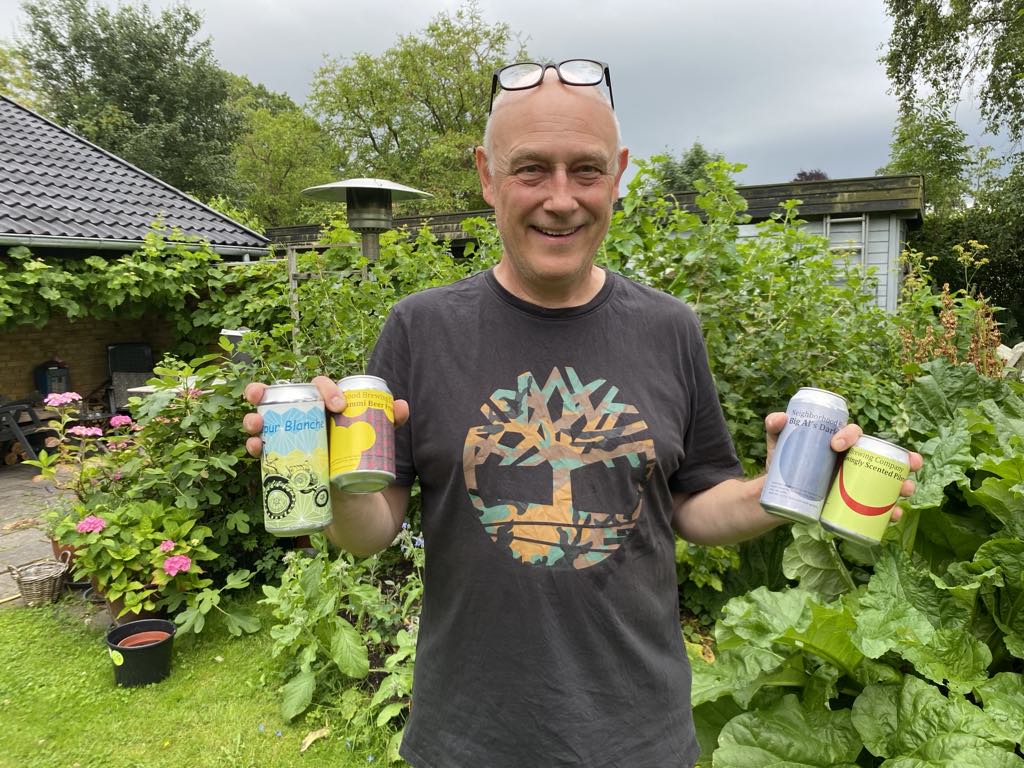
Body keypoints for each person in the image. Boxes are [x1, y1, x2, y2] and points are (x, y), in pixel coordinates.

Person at [244, 60, 923, 768]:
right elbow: (370, 532)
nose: (561, 199)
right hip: (468, 738)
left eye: (587, 170)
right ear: (487, 176)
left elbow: (694, 506)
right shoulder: (420, 329)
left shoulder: (669, 328)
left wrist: (785, 486)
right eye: (531, 169)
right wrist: (328, 474)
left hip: (638, 736)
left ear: (618, 174)